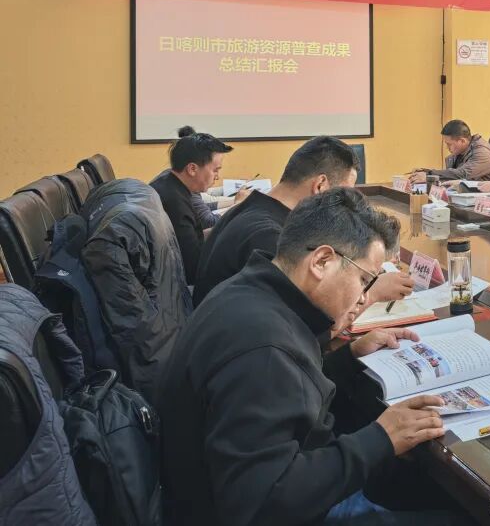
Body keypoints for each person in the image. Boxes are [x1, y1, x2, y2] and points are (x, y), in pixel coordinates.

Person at [158, 188, 451, 526]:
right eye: (364, 280)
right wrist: (381, 438)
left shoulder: (249, 293)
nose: (365, 297)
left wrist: (348, 356)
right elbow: (261, 503)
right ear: (322, 261)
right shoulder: (263, 349)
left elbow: (286, 393)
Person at [195, 136, 412, 307]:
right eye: (343, 194)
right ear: (320, 185)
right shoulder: (271, 236)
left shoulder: (251, 207)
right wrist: (372, 292)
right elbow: (303, 324)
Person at [150, 128, 232, 284]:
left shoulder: (170, 182)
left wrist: (228, 228)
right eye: (215, 170)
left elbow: (195, 237)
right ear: (192, 169)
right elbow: (193, 268)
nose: (217, 177)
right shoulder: (174, 203)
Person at [408, 119, 490, 184]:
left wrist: (429, 175)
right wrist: (424, 172)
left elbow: (462, 174)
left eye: (449, 144)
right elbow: (450, 177)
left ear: (462, 141)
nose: (447, 148)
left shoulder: (482, 152)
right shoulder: (459, 152)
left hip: (485, 198)